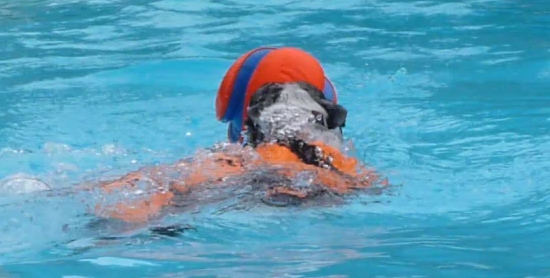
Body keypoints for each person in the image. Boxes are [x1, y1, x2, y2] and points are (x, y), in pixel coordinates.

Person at [93, 46, 386, 223]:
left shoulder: (233, 162)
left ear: (245, 120)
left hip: (236, 201)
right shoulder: (346, 168)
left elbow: (142, 191)